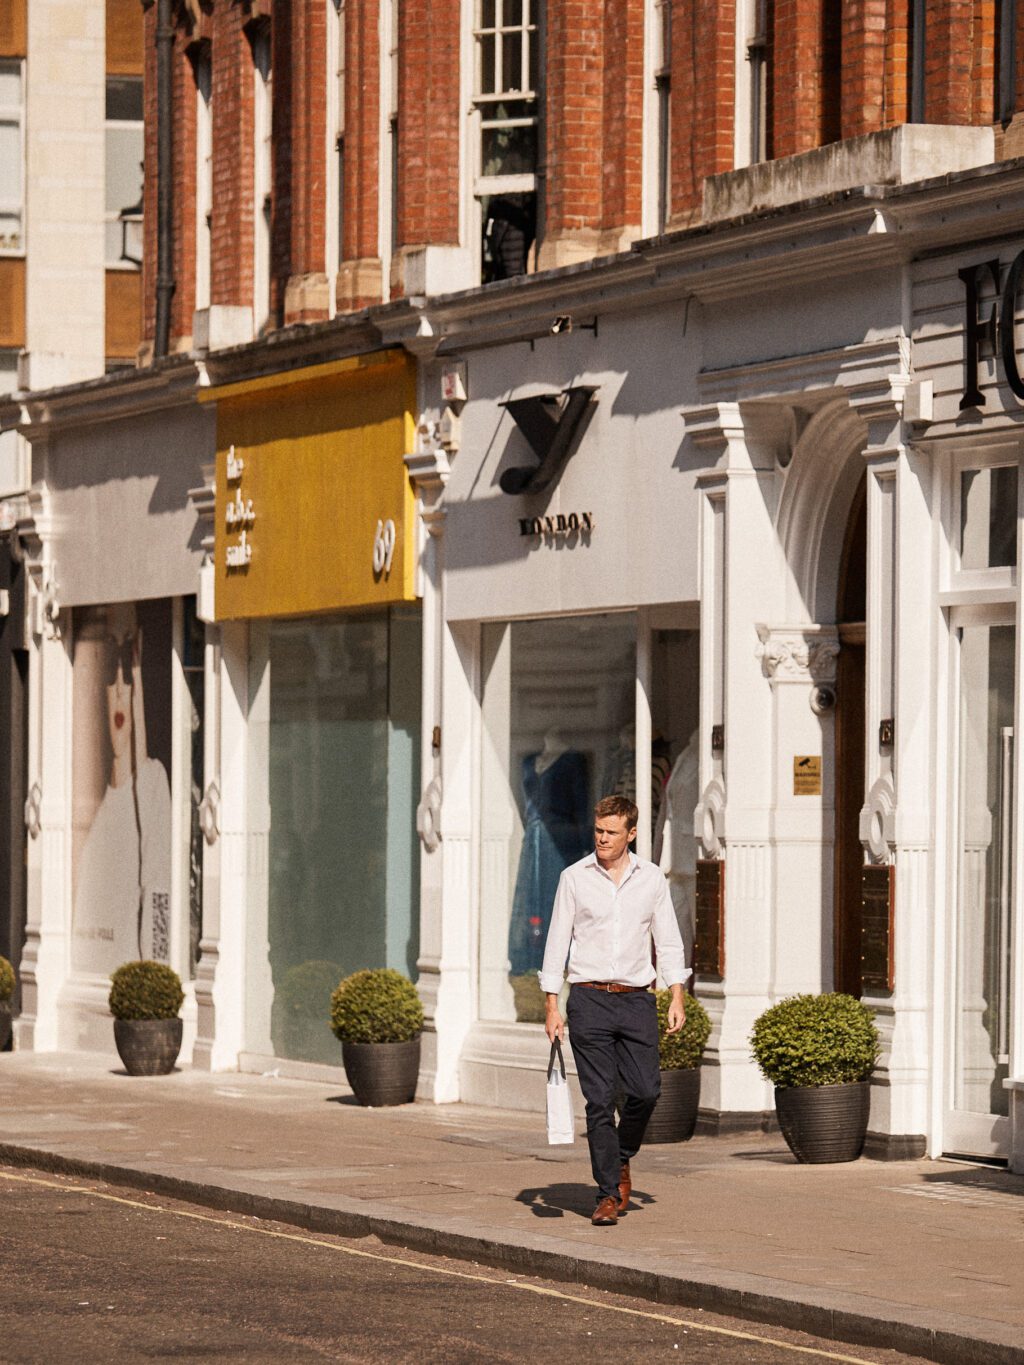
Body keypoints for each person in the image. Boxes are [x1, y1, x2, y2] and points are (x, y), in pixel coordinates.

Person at [541, 794, 689, 1226]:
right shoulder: (574, 878)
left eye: (611, 832)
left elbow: (669, 940)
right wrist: (553, 1005)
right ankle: (607, 1193)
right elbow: (556, 942)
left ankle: (621, 1155)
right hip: (588, 999)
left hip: (638, 999)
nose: (602, 839)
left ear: (632, 833)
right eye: (598, 831)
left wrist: (676, 993)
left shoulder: (652, 879)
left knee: (647, 1092)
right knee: (599, 1100)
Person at [73, 608, 171, 973]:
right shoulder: (91, 805)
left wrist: (156, 971)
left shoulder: (151, 783)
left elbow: (159, 888)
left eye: (129, 675)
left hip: (133, 979)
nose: (118, 692)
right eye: (111, 676)